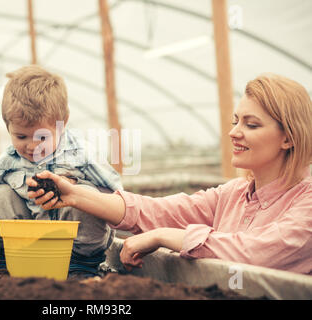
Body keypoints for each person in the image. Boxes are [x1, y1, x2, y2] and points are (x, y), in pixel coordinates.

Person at [28, 73, 312, 275]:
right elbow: (157, 210)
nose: (234, 132)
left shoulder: (307, 202)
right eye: (236, 121)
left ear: (288, 138)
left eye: (251, 125)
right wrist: (74, 194)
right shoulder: (234, 193)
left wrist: (162, 237)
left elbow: (255, 253)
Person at [0, 65, 122, 277]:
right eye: (21, 137)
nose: (31, 146)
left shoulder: (81, 155)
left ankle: (82, 266)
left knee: (89, 195)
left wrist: (76, 192)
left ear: (62, 123)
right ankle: (8, 261)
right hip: (27, 244)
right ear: (8, 127)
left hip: (78, 247)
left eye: (42, 137)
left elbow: (117, 196)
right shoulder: (7, 162)